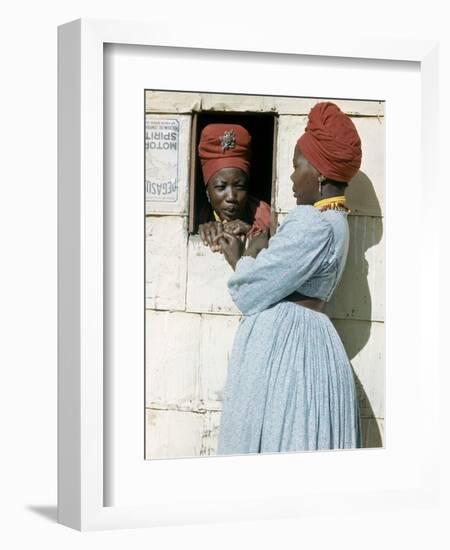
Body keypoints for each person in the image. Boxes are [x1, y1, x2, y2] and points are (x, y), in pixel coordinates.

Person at [214, 102, 362, 454]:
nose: (293, 178)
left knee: (277, 439)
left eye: (297, 167)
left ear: (321, 174)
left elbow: (251, 290)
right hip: (307, 339)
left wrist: (243, 254)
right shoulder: (338, 222)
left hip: (288, 352)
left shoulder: (312, 223)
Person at [197, 123, 271, 252]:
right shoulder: (197, 215)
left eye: (240, 186)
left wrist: (250, 231)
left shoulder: (265, 215)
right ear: (207, 193)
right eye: (221, 187)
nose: (231, 197)